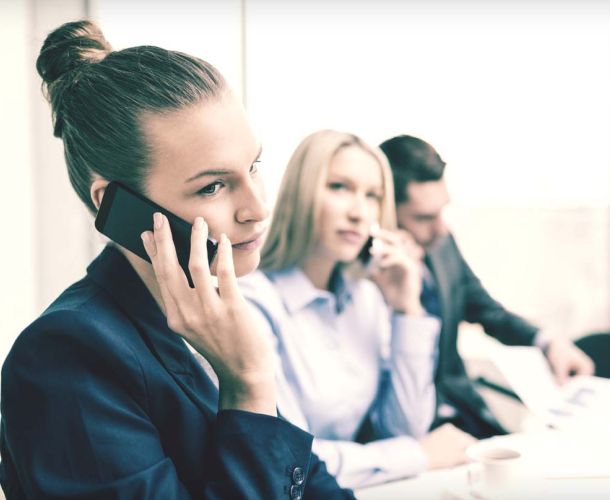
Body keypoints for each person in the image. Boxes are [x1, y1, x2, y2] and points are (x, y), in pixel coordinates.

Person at [0, 20, 354, 499]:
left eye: (253, 167)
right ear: (116, 205)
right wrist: (248, 385)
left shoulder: (202, 318)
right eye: (212, 186)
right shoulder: (66, 355)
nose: (257, 209)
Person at [238, 129, 477, 489]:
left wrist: (407, 310)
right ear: (300, 192)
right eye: (339, 187)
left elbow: (403, 428)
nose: (359, 212)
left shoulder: (365, 298)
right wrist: (418, 456)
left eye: (373, 196)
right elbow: (293, 462)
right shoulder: (254, 303)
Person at [378, 134, 596, 438]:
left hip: (463, 413)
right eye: (424, 217)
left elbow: (486, 309)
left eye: (443, 210)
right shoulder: (358, 279)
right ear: (384, 210)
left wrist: (547, 341)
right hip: (401, 435)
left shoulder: (441, 243)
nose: (441, 227)